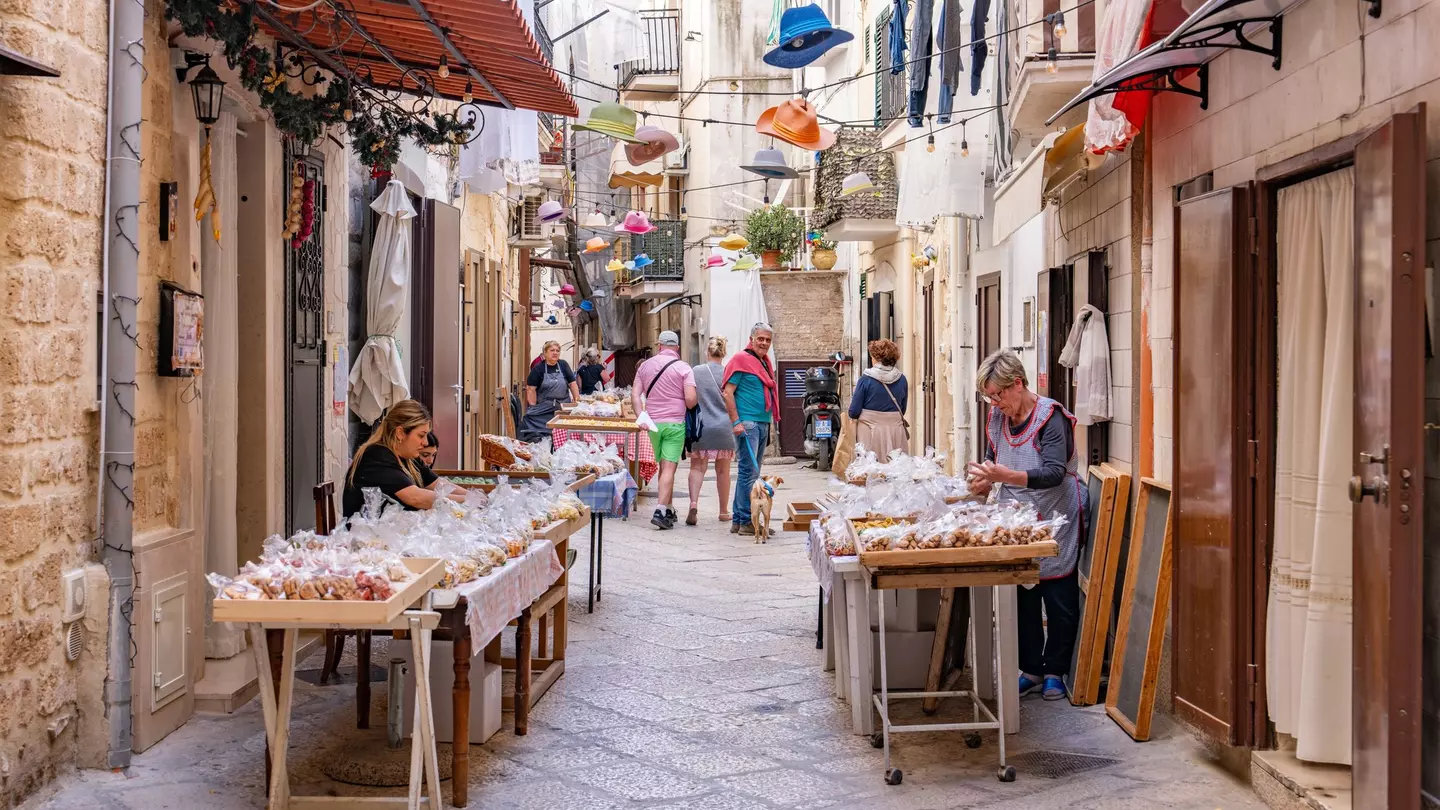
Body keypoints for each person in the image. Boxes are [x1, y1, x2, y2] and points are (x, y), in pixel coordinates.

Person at [966, 349, 1085, 702]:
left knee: (1057, 592)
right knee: (1021, 592)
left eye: (998, 394)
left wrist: (1007, 475)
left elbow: (1053, 472)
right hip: (1015, 515)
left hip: (1055, 512)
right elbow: (993, 458)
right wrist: (985, 479)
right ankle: (1030, 669)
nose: (994, 401)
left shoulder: (1051, 418)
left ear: (1017, 384)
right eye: (989, 396)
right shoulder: (997, 419)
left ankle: (1055, 671)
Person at [343, 400, 464, 518]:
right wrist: (465, 501)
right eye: (421, 435)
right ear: (400, 433)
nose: (425, 442)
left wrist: (475, 497)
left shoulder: (408, 457)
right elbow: (415, 498)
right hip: (365, 536)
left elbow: (438, 484)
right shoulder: (376, 456)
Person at [632, 330, 697, 530]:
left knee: (663, 465)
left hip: (652, 424)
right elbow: (690, 400)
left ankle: (668, 507)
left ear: (659, 345)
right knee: (669, 467)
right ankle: (660, 510)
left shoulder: (645, 366)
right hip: (675, 423)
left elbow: (635, 395)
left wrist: (640, 416)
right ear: (677, 347)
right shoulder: (683, 368)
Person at [721, 322, 779, 537]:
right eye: (760, 339)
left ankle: (738, 519)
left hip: (762, 421)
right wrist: (736, 422)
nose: (764, 343)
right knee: (749, 472)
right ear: (752, 339)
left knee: (749, 472)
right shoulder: (740, 360)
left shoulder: (763, 362)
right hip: (747, 423)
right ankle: (747, 520)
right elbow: (727, 392)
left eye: (767, 340)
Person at [686, 335, 737, 526]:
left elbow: (690, 397)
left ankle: (693, 503)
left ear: (707, 352)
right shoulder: (729, 373)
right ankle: (724, 511)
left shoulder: (696, 371)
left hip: (701, 427)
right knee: (723, 471)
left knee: (697, 467)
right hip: (724, 428)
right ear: (723, 353)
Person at [847, 339, 910, 460]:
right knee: (896, 469)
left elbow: (853, 411)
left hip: (870, 432)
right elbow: (902, 408)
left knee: (871, 471)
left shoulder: (865, 379)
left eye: (872, 357)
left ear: (876, 359)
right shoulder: (902, 379)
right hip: (895, 431)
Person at [520, 340, 580, 443]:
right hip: (544, 407)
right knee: (529, 417)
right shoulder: (538, 368)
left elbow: (572, 384)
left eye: (557, 350)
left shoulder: (563, 365)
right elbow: (531, 389)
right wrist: (534, 407)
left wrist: (577, 400)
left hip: (563, 406)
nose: (555, 353)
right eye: (552, 350)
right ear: (545, 353)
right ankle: (539, 444)